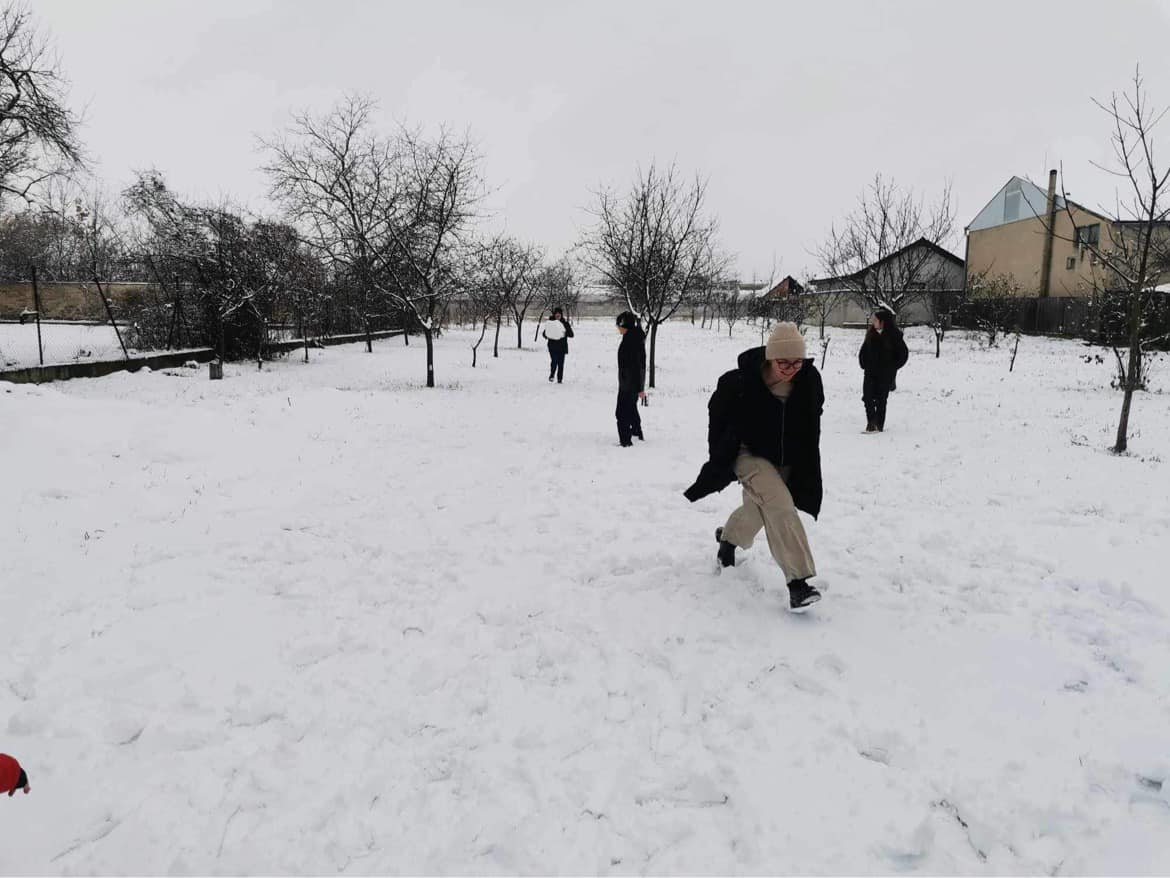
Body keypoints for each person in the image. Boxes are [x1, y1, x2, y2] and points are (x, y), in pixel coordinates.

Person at [683, 322, 824, 610]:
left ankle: (728, 541)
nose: (790, 367)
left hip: (782, 457)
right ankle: (798, 583)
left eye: (797, 361)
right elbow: (718, 421)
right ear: (770, 357)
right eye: (783, 361)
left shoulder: (808, 379)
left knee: (757, 511)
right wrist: (721, 460)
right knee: (780, 505)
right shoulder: (741, 382)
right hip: (746, 454)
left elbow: (812, 418)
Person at [858, 306, 909, 432]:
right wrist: (863, 363)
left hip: (885, 374)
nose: (873, 322)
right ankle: (871, 422)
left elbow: (903, 354)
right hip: (870, 372)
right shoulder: (870, 335)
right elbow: (863, 351)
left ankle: (879, 424)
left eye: (876, 320)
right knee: (867, 397)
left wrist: (893, 367)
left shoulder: (894, 336)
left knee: (881, 399)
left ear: (883, 322)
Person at [615, 311, 647, 446]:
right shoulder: (633, 337)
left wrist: (640, 388)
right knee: (631, 408)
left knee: (621, 413)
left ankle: (625, 441)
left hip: (629, 383)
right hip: (629, 382)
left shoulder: (631, 341)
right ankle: (636, 432)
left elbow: (637, 365)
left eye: (619, 325)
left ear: (625, 325)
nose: (617, 328)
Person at [541, 306, 574, 383]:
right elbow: (544, 334)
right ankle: (552, 375)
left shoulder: (565, 323)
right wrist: (548, 335)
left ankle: (559, 379)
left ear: (561, 315)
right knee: (554, 361)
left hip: (562, 347)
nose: (558, 315)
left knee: (561, 364)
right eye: (556, 313)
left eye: (559, 314)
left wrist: (565, 332)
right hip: (552, 346)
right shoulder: (551, 323)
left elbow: (571, 335)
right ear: (554, 314)